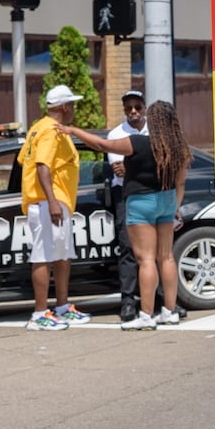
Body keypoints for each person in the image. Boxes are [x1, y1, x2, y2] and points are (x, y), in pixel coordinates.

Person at [62, 100, 192, 331]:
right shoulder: (178, 147)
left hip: (141, 202)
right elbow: (180, 182)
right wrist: (176, 207)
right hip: (168, 200)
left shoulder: (138, 142)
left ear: (154, 121)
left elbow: (102, 145)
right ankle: (170, 311)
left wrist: (73, 131)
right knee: (167, 257)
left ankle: (146, 315)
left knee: (145, 260)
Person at [18, 85, 93, 330]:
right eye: (71, 104)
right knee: (43, 256)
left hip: (56, 201)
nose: (73, 109)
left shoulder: (38, 127)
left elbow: (23, 160)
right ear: (63, 106)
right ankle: (40, 314)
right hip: (47, 202)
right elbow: (42, 166)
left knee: (61, 255)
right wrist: (51, 200)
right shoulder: (50, 130)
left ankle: (62, 306)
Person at [105, 90, 149, 323]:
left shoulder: (156, 130)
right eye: (128, 108)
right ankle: (129, 302)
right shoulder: (116, 134)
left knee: (157, 251)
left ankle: (160, 299)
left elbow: (162, 163)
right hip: (126, 195)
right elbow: (120, 170)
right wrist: (146, 164)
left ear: (144, 107)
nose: (133, 112)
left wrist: (133, 166)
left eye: (137, 107)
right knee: (128, 248)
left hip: (153, 193)